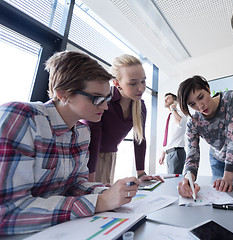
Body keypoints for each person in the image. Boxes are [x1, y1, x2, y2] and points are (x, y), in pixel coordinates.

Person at [0, 51, 140, 235]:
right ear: (63, 94)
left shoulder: (82, 132)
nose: (105, 106)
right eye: (97, 98)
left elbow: (74, 185)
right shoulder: (21, 117)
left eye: (106, 98)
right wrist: (100, 202)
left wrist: (109, 190)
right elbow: (7, 211)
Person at [84, 54, 162, 184]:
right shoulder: (104, 100)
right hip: (88, 156)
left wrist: (141, 173)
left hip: (110, 156)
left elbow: (139, 139)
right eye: (133, 83)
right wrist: (90, 175)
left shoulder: (140, 106)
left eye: (143, 81)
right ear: (116, 82)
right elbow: (94, 138)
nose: (141, 88)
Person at [177, 75, 233, 198]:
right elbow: (192, 153)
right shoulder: (193, 122)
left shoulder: (228, 98)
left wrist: (228, 176)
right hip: (217, 160)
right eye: (192, 104)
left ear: (207, 89)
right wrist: (188, 178)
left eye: (200, 97)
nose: (200, 106)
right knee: (221, 196)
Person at [158, 93, 187, 174]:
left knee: (173, 180)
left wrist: (173, 109)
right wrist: (163, 152)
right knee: (170, 179)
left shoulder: (180, 113)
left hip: (177, 152)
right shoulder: (170, 116)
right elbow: (169, 137)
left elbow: (179, 123)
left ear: (175, 100)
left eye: (168, 98)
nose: (165, 100)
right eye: (164, 98)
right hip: (170, 153)